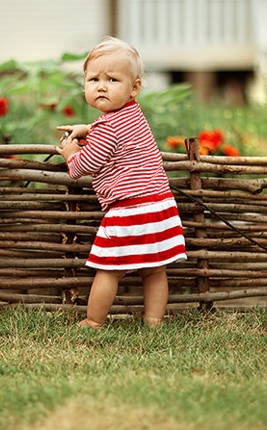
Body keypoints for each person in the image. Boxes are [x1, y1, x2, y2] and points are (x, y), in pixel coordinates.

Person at [56, 36, 187, 328]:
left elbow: (83, 166)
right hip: (159, 205)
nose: (101, 86)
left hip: (129, 210)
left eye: (112, 79)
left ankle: (94, 321)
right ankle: (154, 321)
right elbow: (114, 134)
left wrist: (70, 151)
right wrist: (88, 128)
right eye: (93, 79)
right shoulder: (133, 115)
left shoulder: (106, 127)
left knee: (108, 270)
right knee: (154, 271)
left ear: (134, 88)